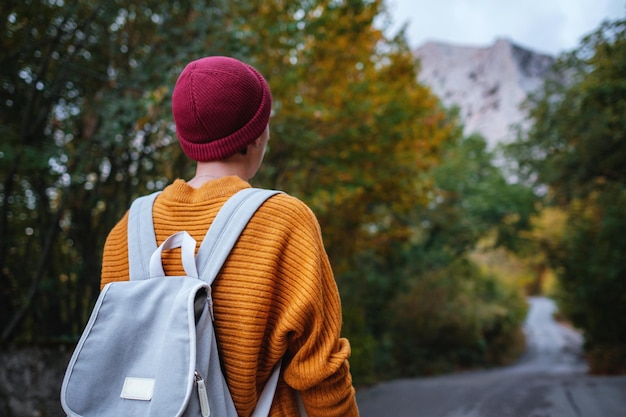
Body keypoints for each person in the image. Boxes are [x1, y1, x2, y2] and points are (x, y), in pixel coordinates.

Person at [100, 56, 359, 417]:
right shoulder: (284, 222)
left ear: (185, 137)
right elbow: (320, 372)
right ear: (255, 135)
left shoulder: (126, 230)